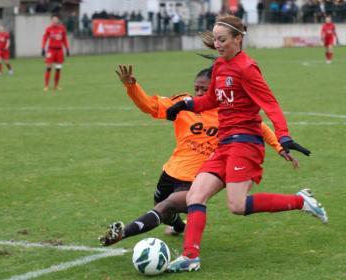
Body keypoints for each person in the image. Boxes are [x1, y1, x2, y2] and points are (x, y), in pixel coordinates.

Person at [166, 15, 328, 272]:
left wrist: (283, 136)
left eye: (222, 40)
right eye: (215, 39)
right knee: (196, 194)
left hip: (246, 142)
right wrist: (186, 104)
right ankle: (190, 256)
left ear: (238, 39)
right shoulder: (219, 66)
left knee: (237, 206)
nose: (218, 44)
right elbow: (211, 100)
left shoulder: (247, 68)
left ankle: (301, 201)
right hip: (224, 143)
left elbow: (270, 104)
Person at [98, 64, 299, 247]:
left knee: (166, 205)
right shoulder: (184, 105)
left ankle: (123, 234)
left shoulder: (228, 112)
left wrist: (280, 148)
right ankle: (179, 226)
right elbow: (150, 106)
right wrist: (132, 87)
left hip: (198, 179)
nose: (199, 93)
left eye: (205, 89)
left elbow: (260, 128)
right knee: (163, 209)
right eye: (197, 88)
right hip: (171, 171)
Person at [41, 14, 70, 91]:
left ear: (58, 20)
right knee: (48, 67)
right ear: (51, 20)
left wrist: (67, 49)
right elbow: (44, 38)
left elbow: (64, 39)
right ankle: (46, 86)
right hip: (51, 50)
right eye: (53, 19)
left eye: (55, 19)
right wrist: (43, 48)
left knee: (58, 68)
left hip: (59, 51)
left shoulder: (62, 28)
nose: (54, 21)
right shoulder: (48, 29)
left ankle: (56, 86)